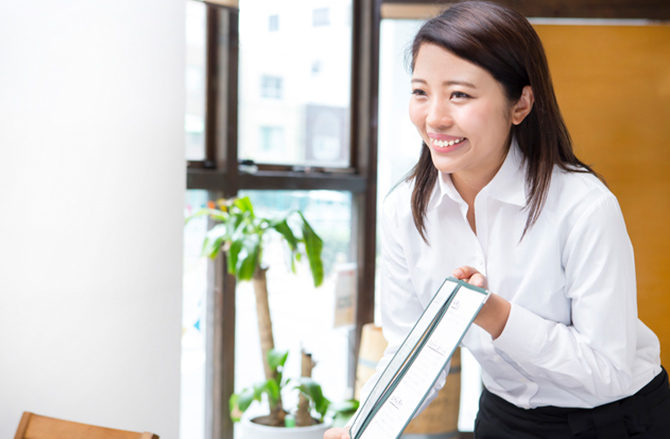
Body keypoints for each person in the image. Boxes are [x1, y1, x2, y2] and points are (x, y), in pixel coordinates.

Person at [324, 1, 670, 438]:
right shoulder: (404, 210)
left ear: (520, 103)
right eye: (420, 91)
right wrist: (363, 427)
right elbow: (411, 353)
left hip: (614, 418)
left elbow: (609, 371)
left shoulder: (584, 205)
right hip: (504, 417)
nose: (435, 117)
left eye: (460, 94)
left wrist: (497, 316)